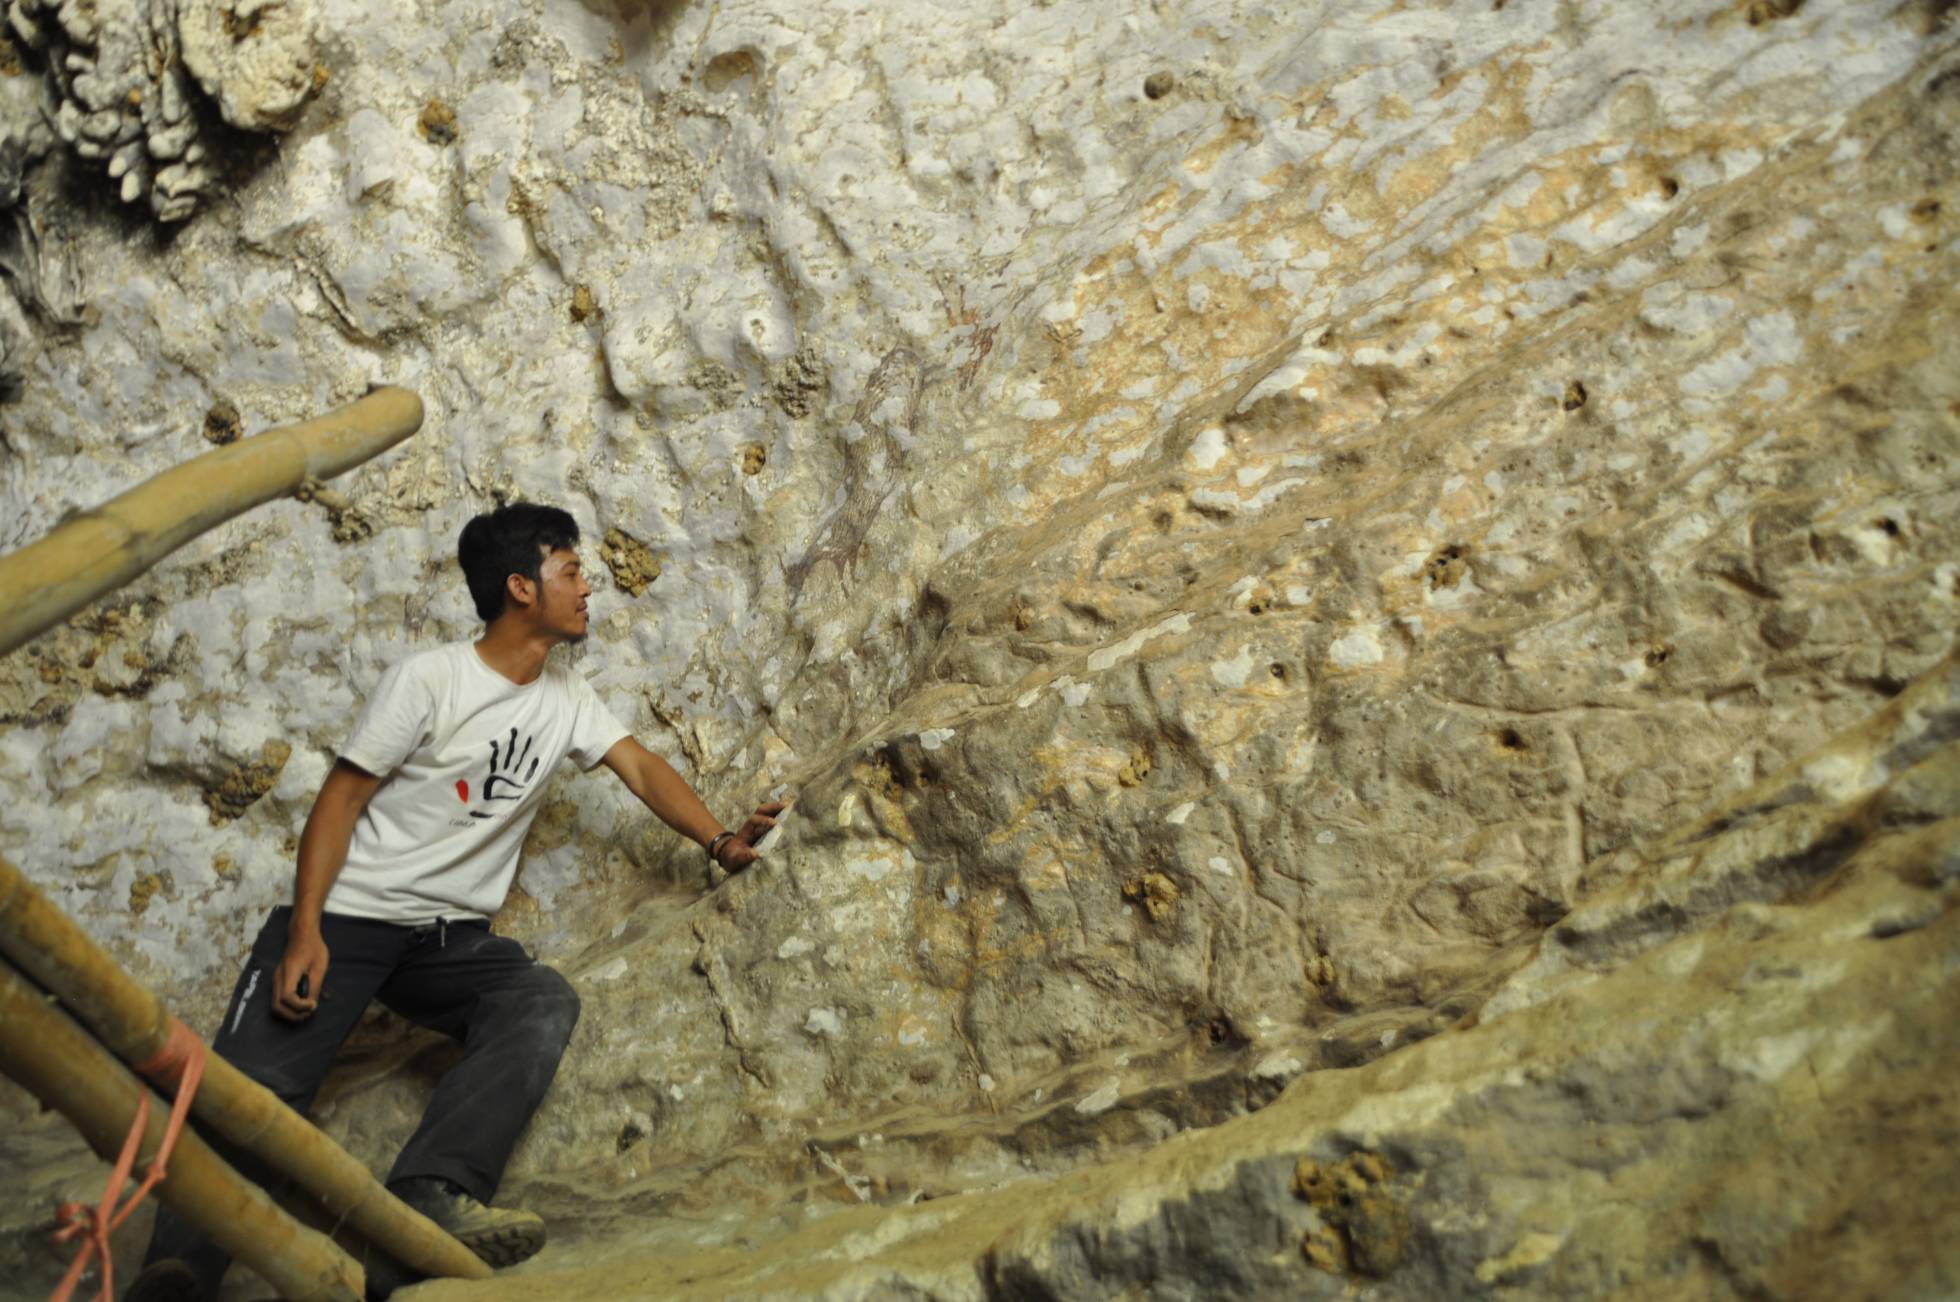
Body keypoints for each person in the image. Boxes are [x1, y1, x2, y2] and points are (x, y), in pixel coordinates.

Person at [129, 502, 785, 1301]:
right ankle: (176, 1278)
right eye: (571, 571)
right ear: (520, 587)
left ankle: (428, 1198)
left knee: (538, 1001)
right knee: (253, 1094)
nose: (588, 587)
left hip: (447, 940)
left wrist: (720, 841)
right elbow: (338, 802)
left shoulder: (566, 695)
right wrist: (306, 929)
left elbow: (641, 766)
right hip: (350, 917)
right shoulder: (431, 679)